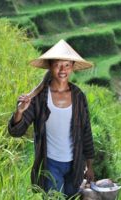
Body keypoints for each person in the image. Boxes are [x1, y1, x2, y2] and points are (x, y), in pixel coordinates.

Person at [7, 39, 95, 198]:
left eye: (67, 65)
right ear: (50, 66)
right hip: (49, 164)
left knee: (72, 197)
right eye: (57, 65)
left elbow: (86, 131)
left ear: (72, 67)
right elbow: (16, 131)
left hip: (75, 164)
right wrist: (19, 112)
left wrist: (89, 166)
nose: (63, 69)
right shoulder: (38, 98)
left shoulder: (78, 96)